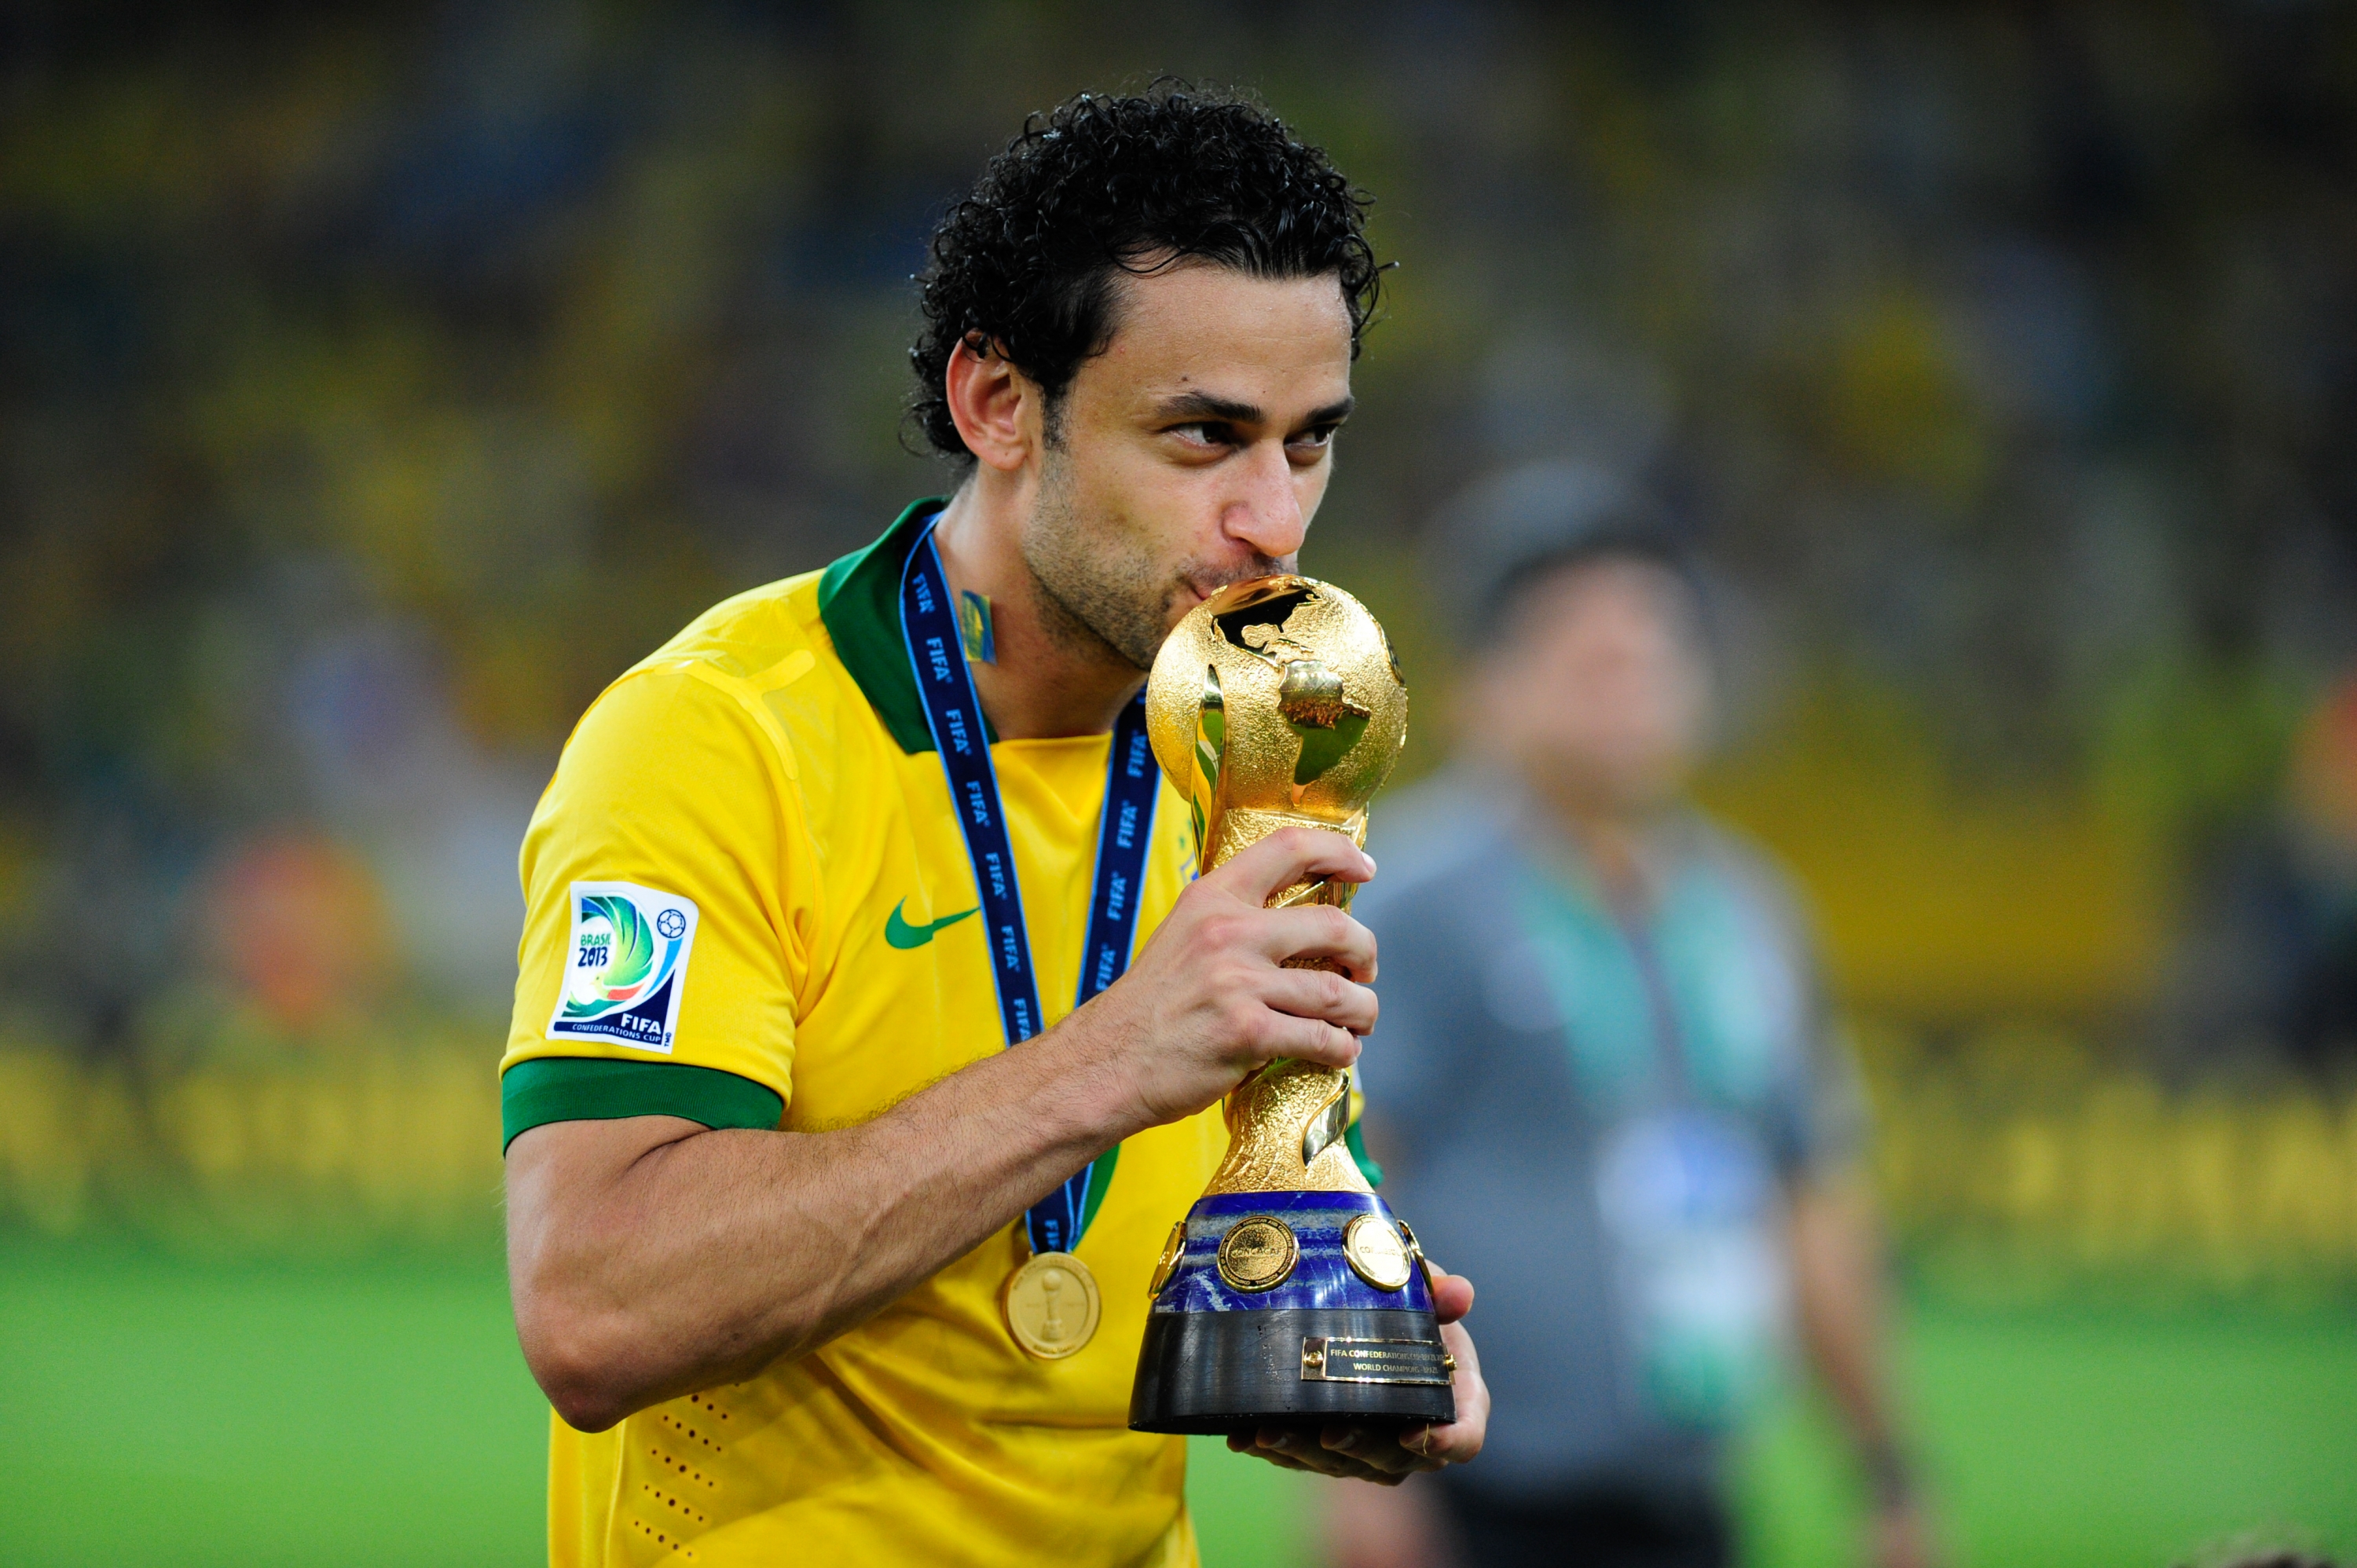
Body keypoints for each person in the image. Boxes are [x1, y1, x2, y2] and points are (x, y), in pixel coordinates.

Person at [497, 86, 1489, 1567]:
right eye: (1205, 436)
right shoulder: (716, 740)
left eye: (1310, 442)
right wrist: (1106, 1064)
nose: (1275, 521)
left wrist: (1337, 1318)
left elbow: (1233, 1187)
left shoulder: (1256, 750)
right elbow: (593, 1304)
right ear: (998, 403)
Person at [1329, 464, 1929, 1568]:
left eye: (1656, 649)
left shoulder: (1750, 909)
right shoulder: (1415, 893)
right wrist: (1360, 1469)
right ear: (1486, 688)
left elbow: (1810, 1202)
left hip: (1687, 1495)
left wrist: (1888, 1467)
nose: (1630, 679)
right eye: (1587, 655)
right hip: (1478, 1500)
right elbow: (1357, 1174)